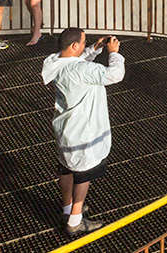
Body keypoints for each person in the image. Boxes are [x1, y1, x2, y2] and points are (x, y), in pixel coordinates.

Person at [41, 27, 125, 237]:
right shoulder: (81, 71)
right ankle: (75, 221)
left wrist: (94, 48)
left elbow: (75, 61)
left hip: (65, 129)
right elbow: (115, 74)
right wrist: (113, 53)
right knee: (83, 174)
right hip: (84, 133)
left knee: (66, 168)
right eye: (83, 42)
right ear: (74, 46)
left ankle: (67, 209)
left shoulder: (54, 61)